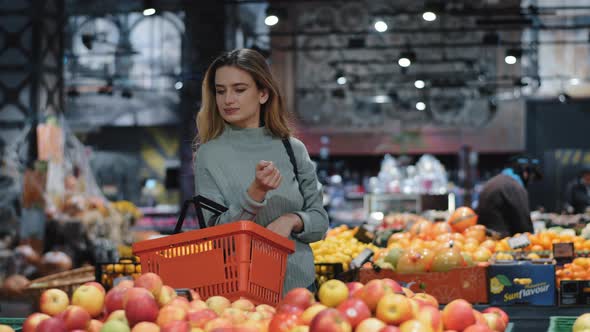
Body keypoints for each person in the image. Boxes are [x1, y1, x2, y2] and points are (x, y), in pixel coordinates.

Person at [193, 48, 329, 293]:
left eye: (239, 89)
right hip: (238, 293)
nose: (228, 100)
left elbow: (320, 221)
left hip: (299, 288)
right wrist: (255, 193)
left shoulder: (293, 149)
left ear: (263, 93)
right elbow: (216, 238)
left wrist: (292, 220)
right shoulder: (208, 155)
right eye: (220, 91)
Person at [475, 156, 542, 238]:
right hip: (503, 244)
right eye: (531, 178)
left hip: (484, 241)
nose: (530, 182)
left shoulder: (494, 182)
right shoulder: (515, 187)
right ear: (525, 173)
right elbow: (525, 227)